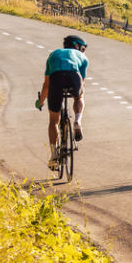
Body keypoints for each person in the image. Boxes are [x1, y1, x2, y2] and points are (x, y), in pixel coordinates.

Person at [35, 34, 88, 170]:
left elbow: (46, 85)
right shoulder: (82, 57)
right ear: (77, 46)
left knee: (54, 120)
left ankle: (53, 155)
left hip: (56, 78)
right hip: (74, 77)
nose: (82, 51)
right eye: (82, 48)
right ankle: (77, 121)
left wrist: (40, 102)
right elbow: (82, 83)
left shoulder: (53, 54)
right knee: (79, 96)